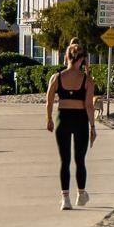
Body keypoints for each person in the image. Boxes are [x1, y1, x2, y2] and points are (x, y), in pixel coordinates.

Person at [45, 41, 98, 210]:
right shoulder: (88, 80)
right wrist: (92, 127)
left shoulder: (56, 77)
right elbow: (89, 105)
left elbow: (49, 101)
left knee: (65, 161)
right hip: (80, 119)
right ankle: (81, 194)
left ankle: (65, 199)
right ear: (82, 59)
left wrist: (49, 119)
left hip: (63, 119)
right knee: (80, 160)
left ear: (66, 57)